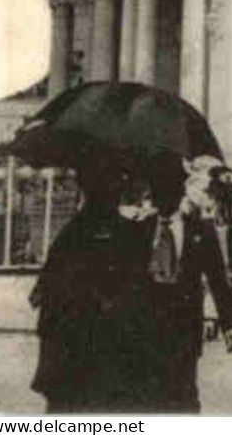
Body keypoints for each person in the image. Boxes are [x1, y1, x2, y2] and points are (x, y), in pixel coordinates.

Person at [30, 156, 151, 413]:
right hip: (92, 348)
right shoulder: (114, 230)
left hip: (75, 353)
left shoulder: (74, 231)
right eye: (116, 185)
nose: (118, 191)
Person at [135, 157, 232, 413]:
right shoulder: (141, 230)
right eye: (160, 191)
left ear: (180, 192)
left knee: (184, 401)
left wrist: (228, 324)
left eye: (171, 190)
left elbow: (218, 278)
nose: (165, 198)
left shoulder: (201, 231)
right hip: (146, 328)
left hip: (184, 327)